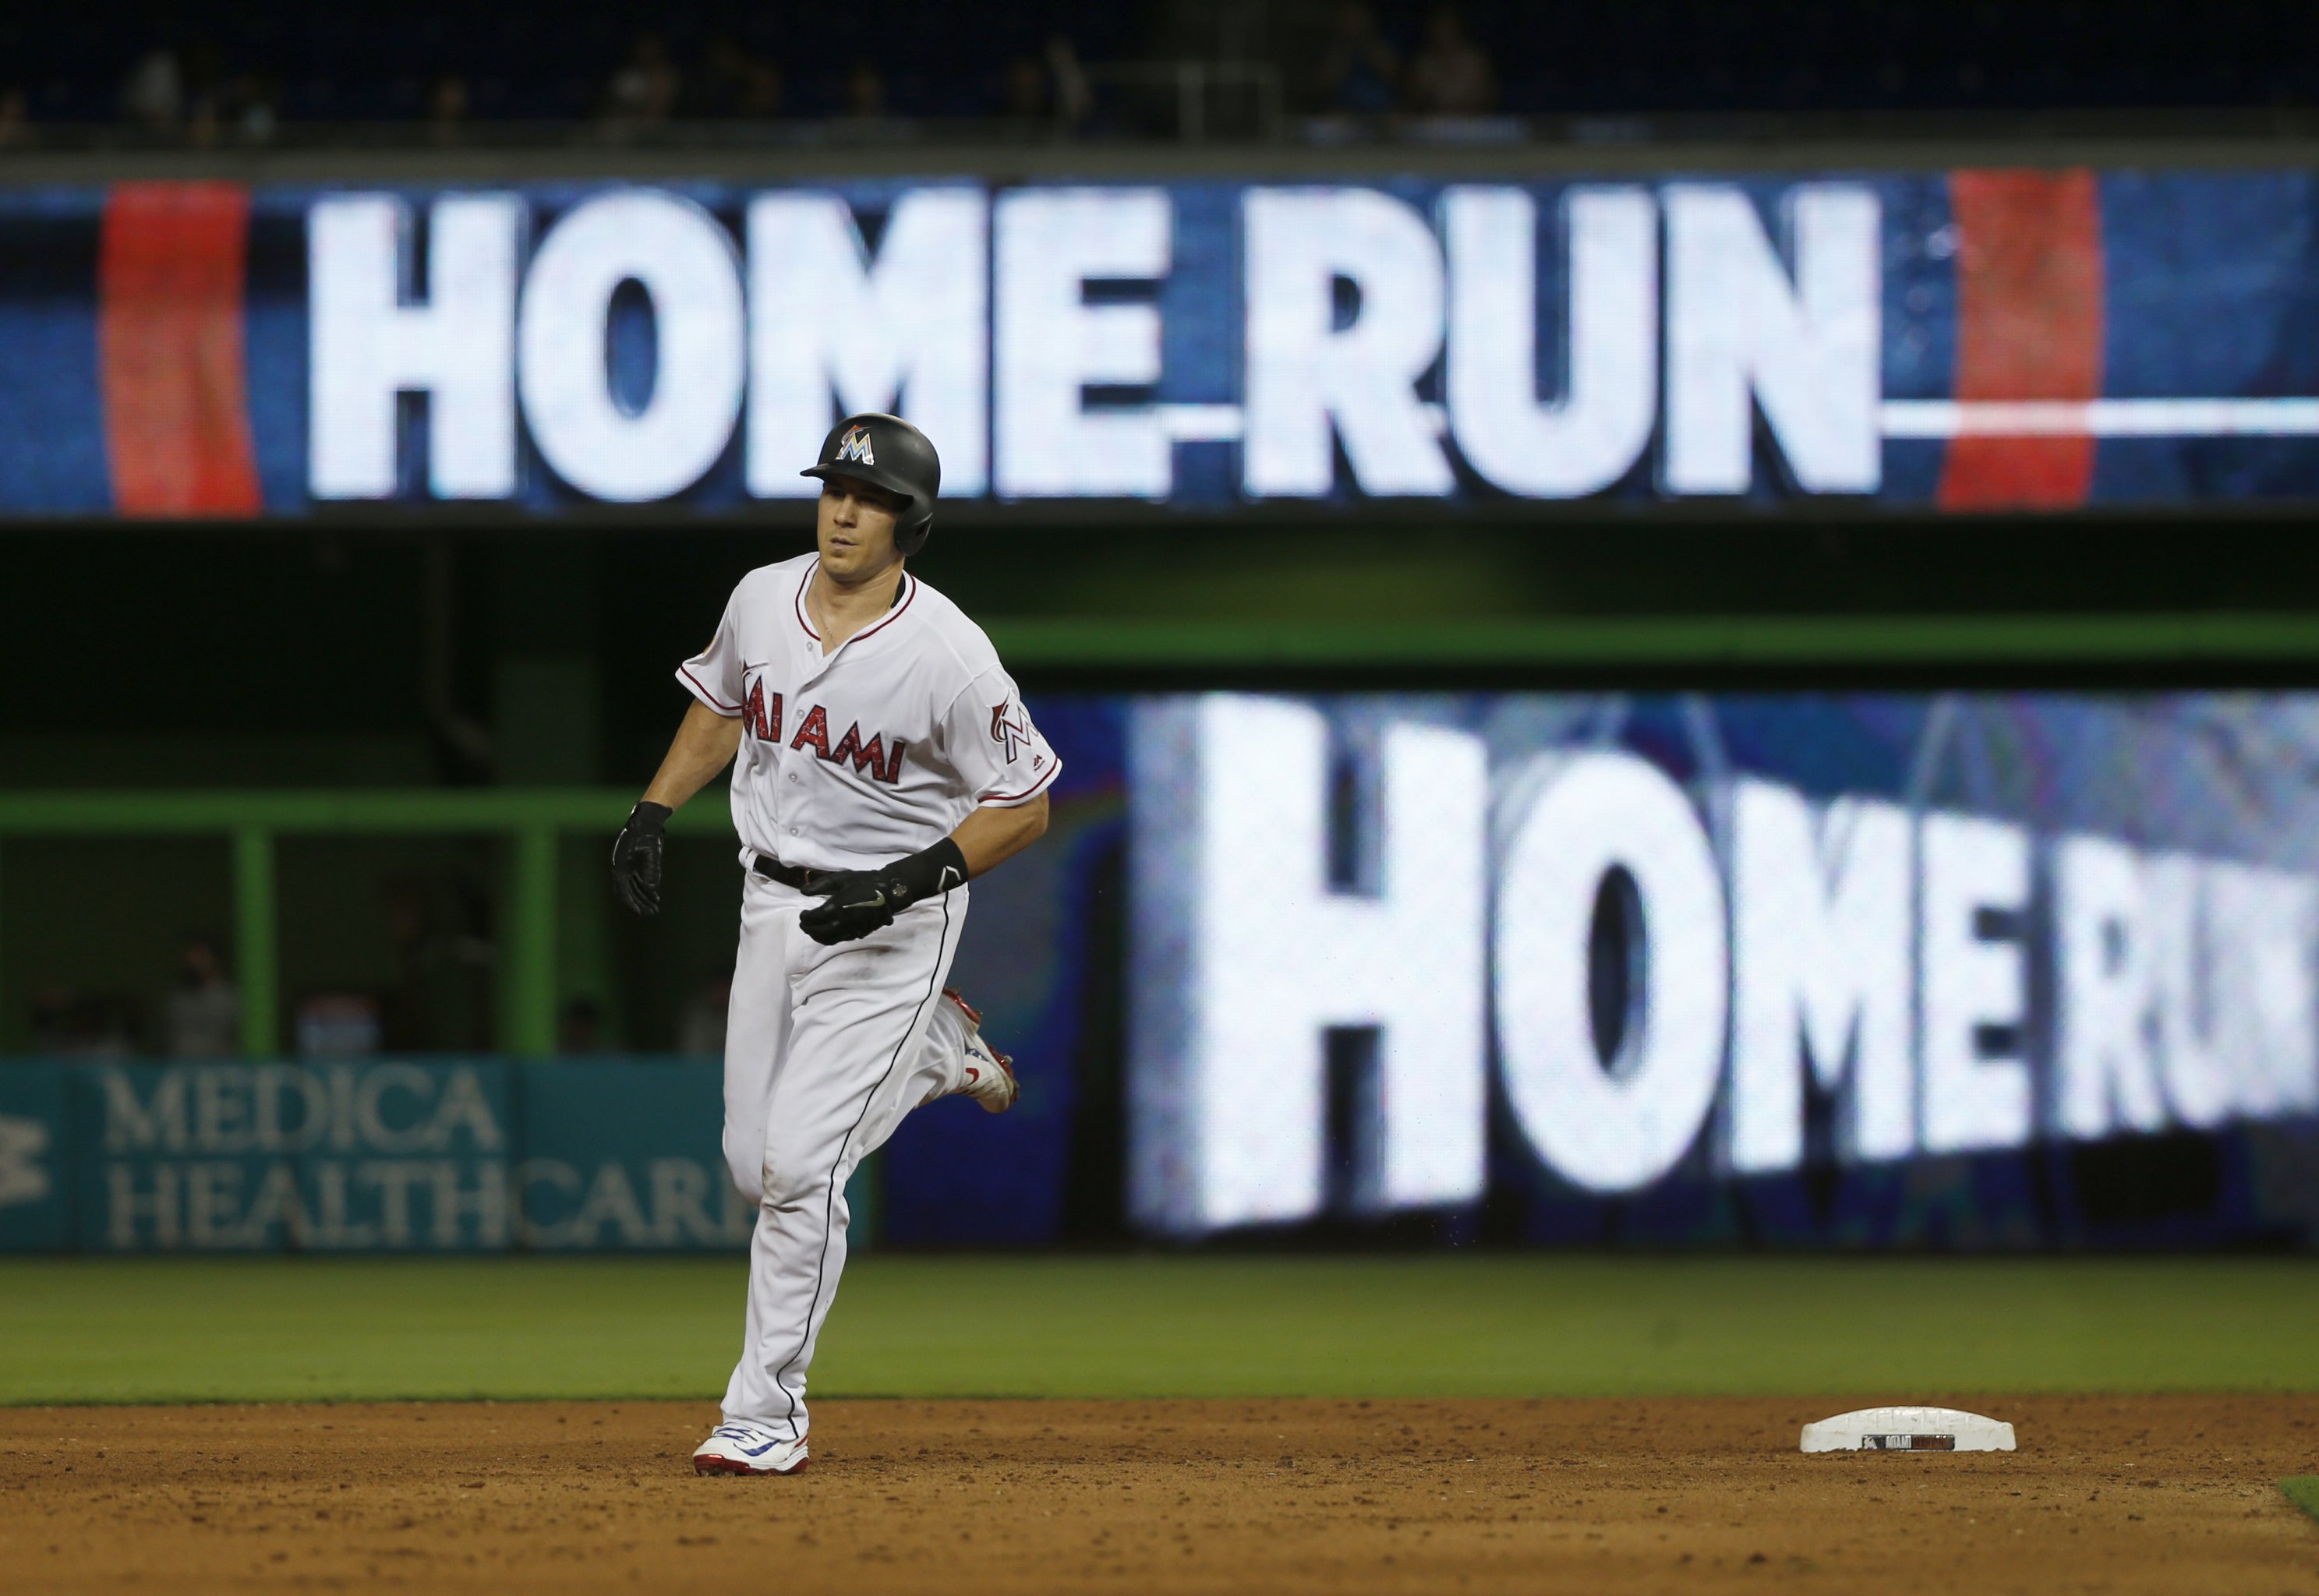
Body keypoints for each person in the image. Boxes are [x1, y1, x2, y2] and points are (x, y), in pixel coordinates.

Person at [611, 411, 1056, 1478]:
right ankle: (940, 1052)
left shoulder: (947, 653)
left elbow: (1026, 803)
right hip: (771, 903)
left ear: (913, 524)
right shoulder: (763, 596)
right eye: (833, 491)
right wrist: (653, 809)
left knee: (802, 1166)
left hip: (893, 925)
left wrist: (904, 884)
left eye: (871, 501)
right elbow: (721, 707)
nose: (844, 512)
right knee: (750, 1166)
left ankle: (766, 1411)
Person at [1406, 7, 1497, 116]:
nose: (1444, 32)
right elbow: (1412, 102)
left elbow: (1489, 98)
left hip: (1472, 124)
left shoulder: (1476, 60)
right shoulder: (1423, 64)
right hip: (1434, 124)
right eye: (1440, 27)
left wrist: (1465, 109)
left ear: (1458, 28)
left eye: (1449, 27)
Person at [161, 934, 240, 1058]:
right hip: (178, 1071)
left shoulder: (228, 997)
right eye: (190, 955)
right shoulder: (177, 997)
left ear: (213, 958)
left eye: (199, 954)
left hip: (217, 1071)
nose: (192, 961)